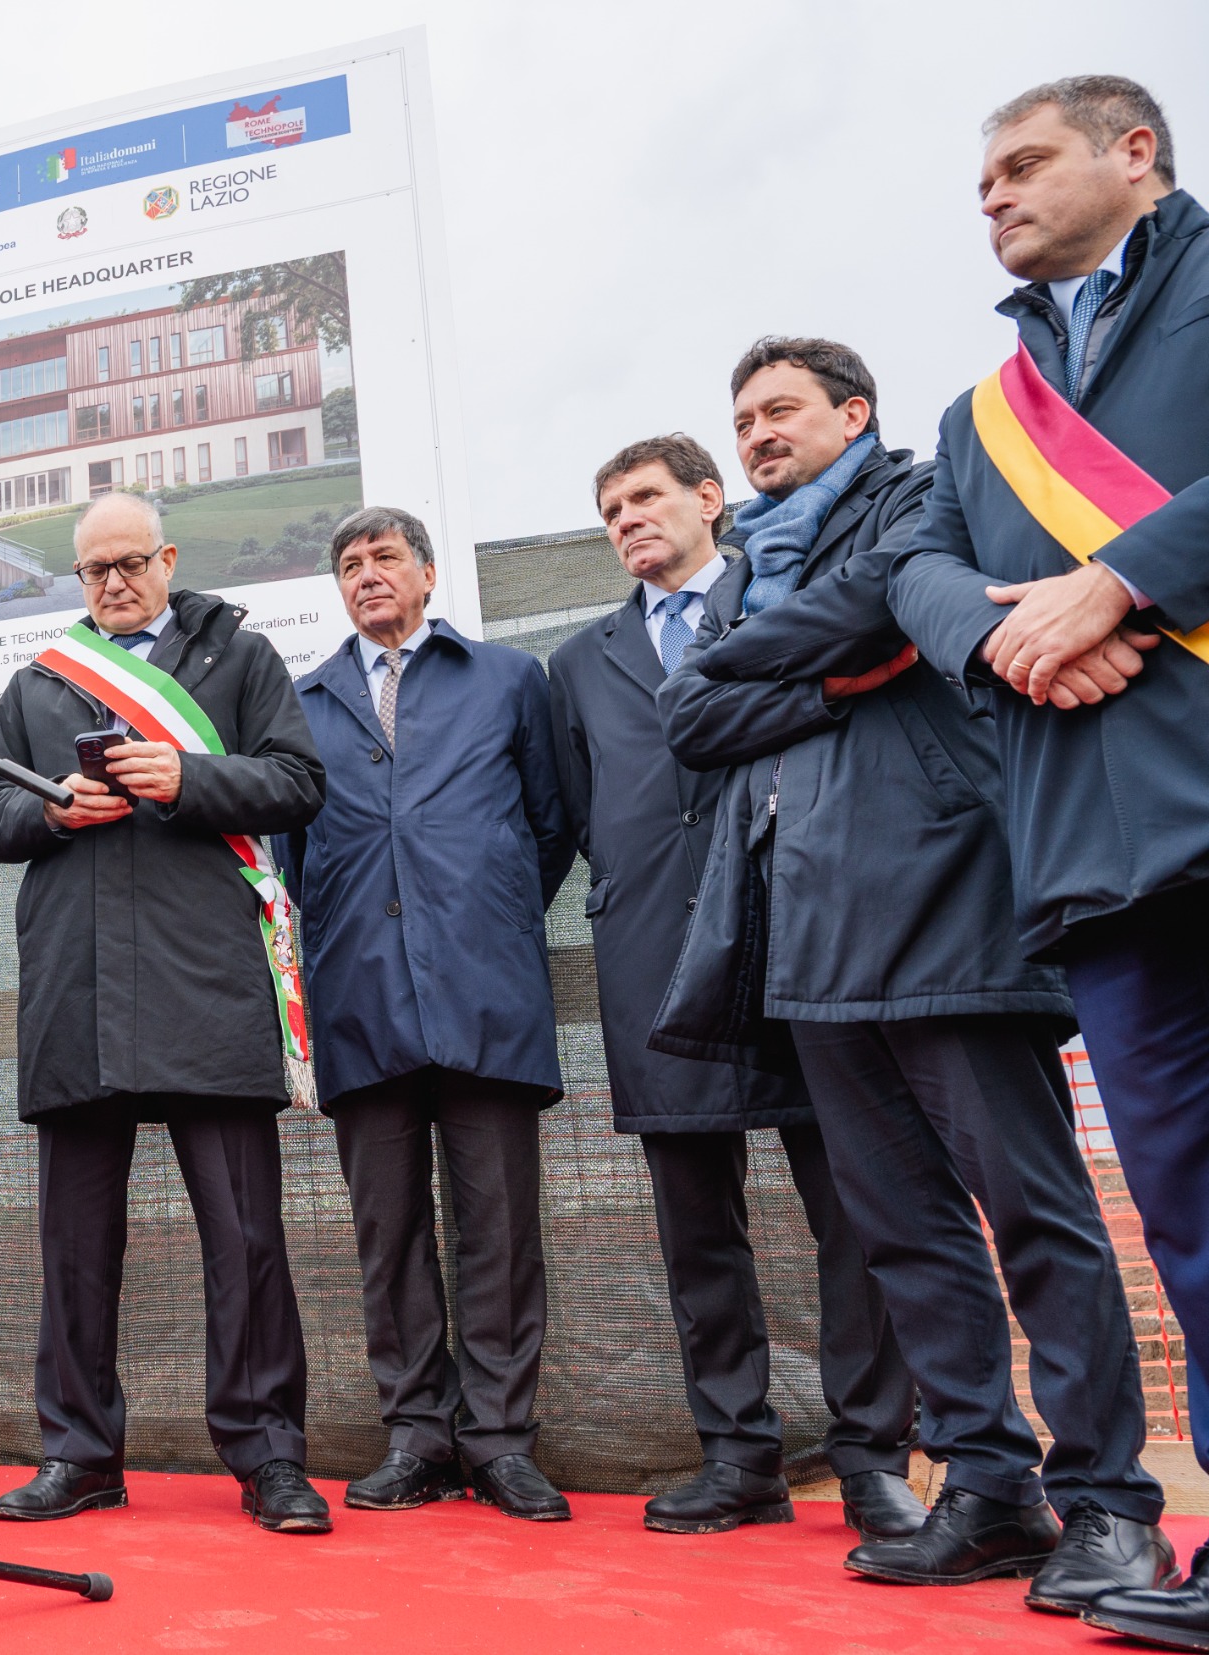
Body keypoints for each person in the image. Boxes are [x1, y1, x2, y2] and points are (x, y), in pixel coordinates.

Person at [661, 335, 1169, 1612]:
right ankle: (989, 1487)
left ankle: (1107, 1499)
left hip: (954, 908)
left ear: (854, 412)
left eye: (781, 410)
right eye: (743, 418)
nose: (759, 433)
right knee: (901, 1233)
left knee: (1037, 1217)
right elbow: (690, 715)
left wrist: (796, 647)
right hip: (809, 935)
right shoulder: (744, 574)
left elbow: (889, 597)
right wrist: (829, 676)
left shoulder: (915, 493)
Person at [887, 77, 1209, 1646]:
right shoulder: (979, 414)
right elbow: (918, 571)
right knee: (1189, 1212)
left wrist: (1121, 581)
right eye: (984, 176)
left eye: (1023, 164)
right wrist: (1020, 630)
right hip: (1096, 845)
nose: (994, 195)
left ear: (1133, 153)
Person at [551, 435, 921, 1538]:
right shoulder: (576, 662)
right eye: (609, 507)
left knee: (855, 1208)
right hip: (652, 959)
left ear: (710, 499)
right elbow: (580, 807)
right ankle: (737, 1455)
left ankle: (871, 1458)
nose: (628, 519)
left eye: (647, 496)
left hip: (797, 932)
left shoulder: (787, 596)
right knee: (695, 1227)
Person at [0, 493, 332, 1537]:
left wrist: (189, 775)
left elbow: (300, 781)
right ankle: (79, 1452)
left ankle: (268, 1455)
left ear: (167, 557)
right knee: (75, 1245)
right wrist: (46, 808)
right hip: (78, 989)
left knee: (245, 1235)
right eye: (94, 569)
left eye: (130, 561)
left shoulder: (241, 659)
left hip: (208, 978)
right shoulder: (38, 679)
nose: (113, 581)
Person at [282, 506, 575, 1523]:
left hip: (486, 990)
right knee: (388, 1230)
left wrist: (478, 912)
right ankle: (415, 1434)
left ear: (427, 572)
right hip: (358, 994)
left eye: (384, 557)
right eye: (349, 563)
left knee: (498, 1229)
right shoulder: (304, 698)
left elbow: (548, 827)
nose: (366, 575)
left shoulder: (506, 680)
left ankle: (499, 1440)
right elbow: (288, 861)